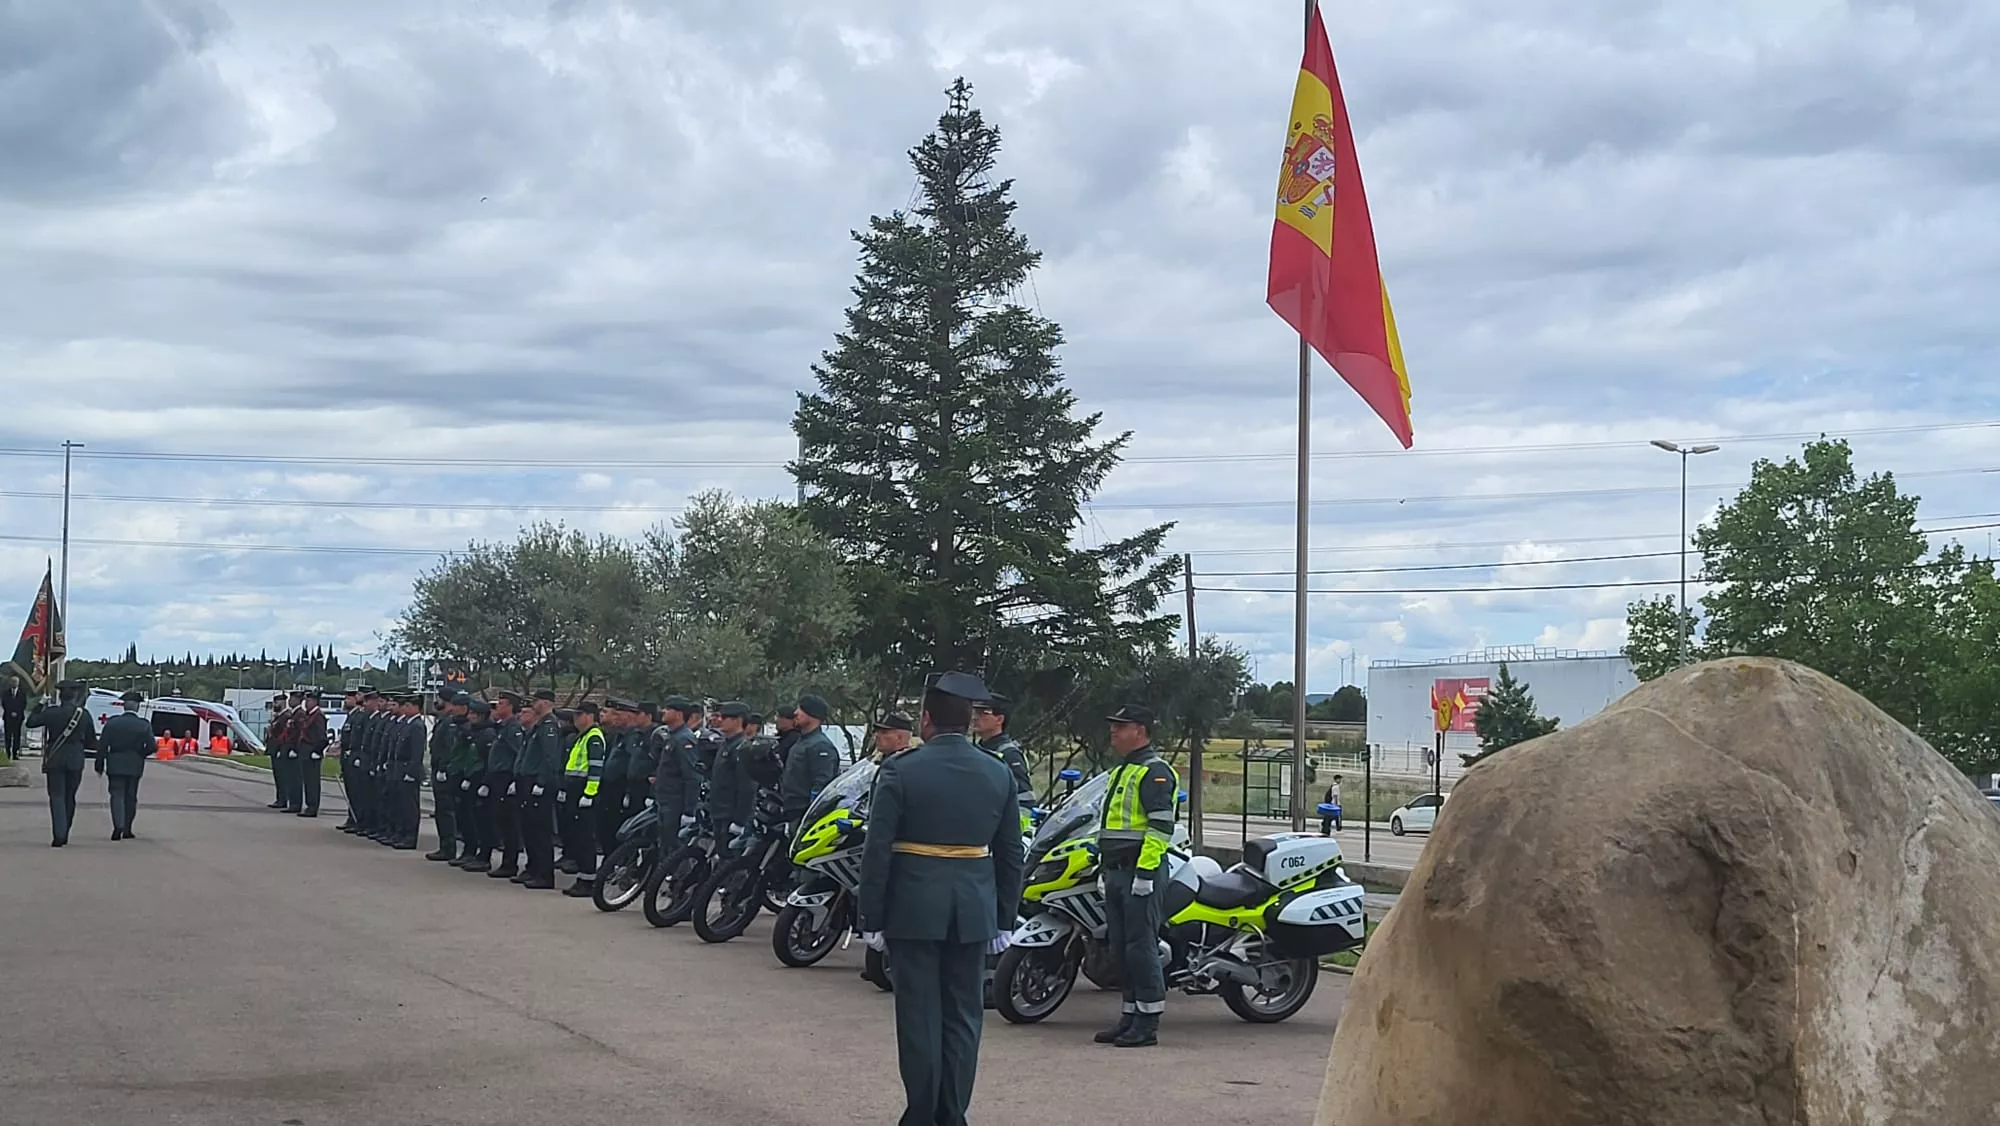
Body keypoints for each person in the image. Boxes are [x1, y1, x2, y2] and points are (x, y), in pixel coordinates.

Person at [857, 672, 1023, 1126]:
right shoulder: (998, 771)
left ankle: (921, 1115)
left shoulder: (900, 769)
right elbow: (1011, 853)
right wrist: (1004, 919)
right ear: (968, 722)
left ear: (926, 721)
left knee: (918, 1017)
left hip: (913, 908)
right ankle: (953, 1116)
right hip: (974, 909)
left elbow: (877, 848)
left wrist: (869, 915)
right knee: (964, 1017)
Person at [1094, 705, 1180, 1048]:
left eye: (1121, 726)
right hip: (1117, 873)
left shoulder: (1155, 772)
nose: (1113, 732)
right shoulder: (1123, 770)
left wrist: (1145, 873)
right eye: (1113, 726)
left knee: (1141, 948)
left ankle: (1148, 1022)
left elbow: (1160, 828)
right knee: (1122, 949)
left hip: (1138, 873)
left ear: (1140, 731)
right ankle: (1129, 1015)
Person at [27, 680, 100, 848]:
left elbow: (31, 722)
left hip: (55, 757)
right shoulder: (84, 715)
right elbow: (91, 742)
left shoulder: (52, 712)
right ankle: (65, 829)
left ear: (60, 695)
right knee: (70, 796)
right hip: (75, 759)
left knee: (57, 796)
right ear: (75, 695)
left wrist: (40, 705)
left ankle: (59, 834)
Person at [514, 689, 566, 889]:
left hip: (538, 782)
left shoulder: (549, 725)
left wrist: (542, 782)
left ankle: (544, 874)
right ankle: (533, 868)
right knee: (529, 829)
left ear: (545, 703)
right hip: (527, 780)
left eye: (536, 701)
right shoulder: (538, 726)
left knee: (540, 830)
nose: (533, 704)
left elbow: (550, 757)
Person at [560, 701, 608, 898]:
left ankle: (588, 880)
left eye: (579, 715)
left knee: (585, 838)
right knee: (576, 837)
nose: (575, 719)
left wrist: (589, 794)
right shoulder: (583, 737)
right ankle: (582, 877)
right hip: (575, 792)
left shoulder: (594, 737)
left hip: (585, 793)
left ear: (589, 716)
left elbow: (595, 770)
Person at [96, 690, 158, 840]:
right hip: (135, 764)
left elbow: (102, 745)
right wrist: (140, 754)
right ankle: (127, 829)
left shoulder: (112, 723)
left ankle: (118, 825)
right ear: (137, 707)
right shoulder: (143, 724)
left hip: (115, 762)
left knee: (116, 795)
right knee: (131, 797)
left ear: (124, 706)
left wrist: (99, 763)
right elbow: (152, 746)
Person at [972, 694, 1036, 832]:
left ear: (999, 719)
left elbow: (1025, 800)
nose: (976, 717)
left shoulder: (1009, 754)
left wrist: (1015, 832)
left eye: (984, 713)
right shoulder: (976, 750)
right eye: (976, 712)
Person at [780, 694, 843, 828]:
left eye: (800, 709)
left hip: (802, 816)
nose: (795, 713)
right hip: (790, 813)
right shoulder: (802, 742)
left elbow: (821, 786)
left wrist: (809, 819)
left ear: (812, 714)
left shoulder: (820, 746)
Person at [484, 691, 529, 880]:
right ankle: (506, 861)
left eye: (502, 704)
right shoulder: (503, 727)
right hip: (497, 778)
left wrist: (513, 780)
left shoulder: (513, 728)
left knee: (509, 824)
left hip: (506, 779)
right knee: (501, 821)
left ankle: (510, 863)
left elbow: (518, 754)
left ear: (511, 706)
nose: (498, 707)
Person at [651, 697, 701, 852]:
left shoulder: (683, 738)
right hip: (665, 798)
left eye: (668, 709)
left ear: (679, 714)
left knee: (674, 846)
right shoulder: (672, 736)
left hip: (675, 801)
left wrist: (689, 811)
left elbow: (692, 776)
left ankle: (678, 875)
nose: (663, 712)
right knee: (665, 843)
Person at [454, 697, 497, 871]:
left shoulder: (488, 734)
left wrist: (485, 782)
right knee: (468, 818)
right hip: (469, 778)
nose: (470, 717)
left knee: (482, 820)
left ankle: (484, 856)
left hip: (480, 780)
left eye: (474, 714)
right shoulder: (471, 731)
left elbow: (488, 761)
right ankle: (470, 851)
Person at [425, 691, 469, 862]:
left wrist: (444, 767)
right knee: (442, 811)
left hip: (448, 772)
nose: (437, 702)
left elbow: (450, 748)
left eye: (441, 700)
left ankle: (449, 847)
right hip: (441, 770)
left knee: (447, 811)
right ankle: (445, 846)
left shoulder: (454, 723)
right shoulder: (445, 720)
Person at [706, 702, 753, 843]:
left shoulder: (743, 748)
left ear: (738, 720)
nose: (719, 720)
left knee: (730, 860)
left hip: (730, 814)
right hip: (719, 812)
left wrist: (739, 821)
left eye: (725, 717)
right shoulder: (726, 744)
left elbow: (747, 788)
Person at [389, 693, 428, 850]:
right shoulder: (406, 724)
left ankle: (410, 837)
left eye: (407, 705)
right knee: (400, 804)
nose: (404, 708)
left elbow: (416, 752)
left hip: (408, 769)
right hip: (399, 767)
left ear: (415, 707)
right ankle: (401, 832)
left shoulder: (417, 726)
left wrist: (412, 772)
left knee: (409, 806)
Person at [335, 687, 368, 832]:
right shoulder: (351, 716)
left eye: (349, 698)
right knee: (351, 791)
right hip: (347, 757)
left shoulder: (360, 716)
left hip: (355, 756)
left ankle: (357, 820)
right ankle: (351, 818)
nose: (346, 701)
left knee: (357, 792)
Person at [294, 691, 329, 818]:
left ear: (314, 701)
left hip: (312, 752)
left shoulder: (318, 716)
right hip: (305, 751)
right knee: (307, 781)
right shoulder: (310, 715)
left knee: (312, 781)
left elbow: (322, 738)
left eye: (308, 701)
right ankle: (309, 805)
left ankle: (313, 806)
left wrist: (317, 751)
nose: (306, 703)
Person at [263, 693, 290, 810]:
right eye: (275, 702)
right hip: (275, 749)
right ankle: (280, 798)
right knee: (277, 776)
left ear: (283, 703)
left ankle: (283, 799)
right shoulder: (278, 716)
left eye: (277, 702)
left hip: (280, 749)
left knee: (282, 776)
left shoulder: (286, 716)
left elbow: (283, 734)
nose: (275, 705)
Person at [2, 673, 27, 760]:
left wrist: (17, 712)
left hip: (18, 718)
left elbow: (23, 704)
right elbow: (4, 704)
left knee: (17, 736)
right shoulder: (5, 693)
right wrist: (10, 712)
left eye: (15, 682)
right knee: (8, 736)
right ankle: (7, 753)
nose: (14, 683)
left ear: (18, 683)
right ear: (10, 683)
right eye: (12, 681)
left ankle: (15, 753)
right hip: (8, 717)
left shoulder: (22, 694)